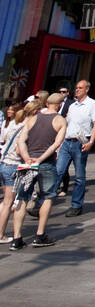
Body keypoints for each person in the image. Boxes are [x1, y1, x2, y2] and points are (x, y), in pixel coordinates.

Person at [10, 93, 67, 249]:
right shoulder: (60, 120)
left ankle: (16, 238)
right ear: (60, 105)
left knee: (22, 198)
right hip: (46, 164)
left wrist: (27, 157)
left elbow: (21, 140)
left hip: (27, 164)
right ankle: (40, 235)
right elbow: (56, 144)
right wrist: (41, 159)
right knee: (48, 197)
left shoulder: (32, 118)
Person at [53, 79, 95, 218]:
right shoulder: (72, 106)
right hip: (67, 142)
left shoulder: (92, 104)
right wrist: (59, 142)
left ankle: (76, 205)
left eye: (80, 88)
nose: (77, 90)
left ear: (87, 89)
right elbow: (66, 124)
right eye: (76, 88)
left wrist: (91, 141)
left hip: (81, 143)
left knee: (79, 176)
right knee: (58, 172)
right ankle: (43, 202)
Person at [0, 102, 32, 241]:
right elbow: (19, 149)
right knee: (8, 202)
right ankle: (0, 234)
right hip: (14, 165)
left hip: (4, 163)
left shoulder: (12, 124)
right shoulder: (25, 127)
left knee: (5, 201)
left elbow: (4, 140)